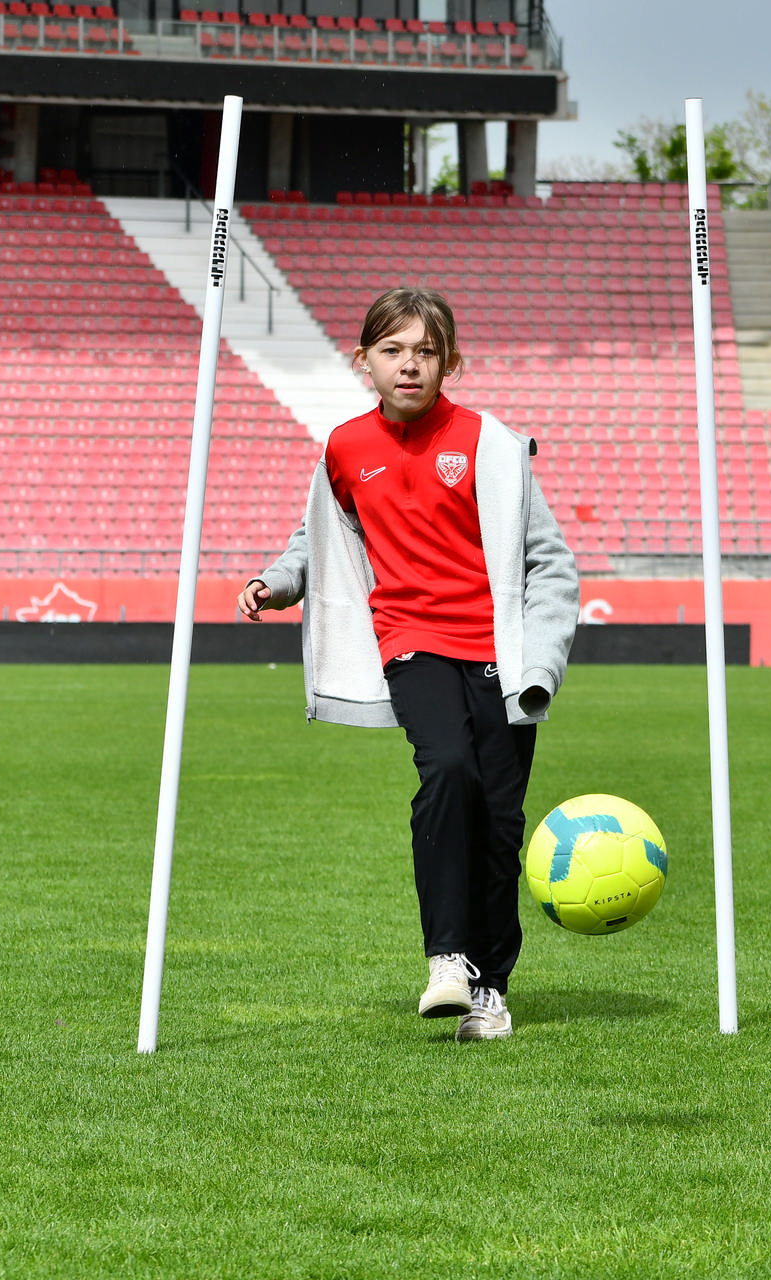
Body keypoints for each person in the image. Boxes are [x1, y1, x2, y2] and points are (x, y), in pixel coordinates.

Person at [238, 287, 577, 1042]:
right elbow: (317, 538)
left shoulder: (491, 443)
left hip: (500, 654)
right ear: (364, 360)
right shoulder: (344, 449)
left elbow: (551, 562)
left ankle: (490, 989)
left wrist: (541, 669)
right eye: (393, 350)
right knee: (448, 768)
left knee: (499, 823)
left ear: (451, 362)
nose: (410, 365)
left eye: (426, 351)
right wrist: (277, 583)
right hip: (411, 640)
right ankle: (446, 959)